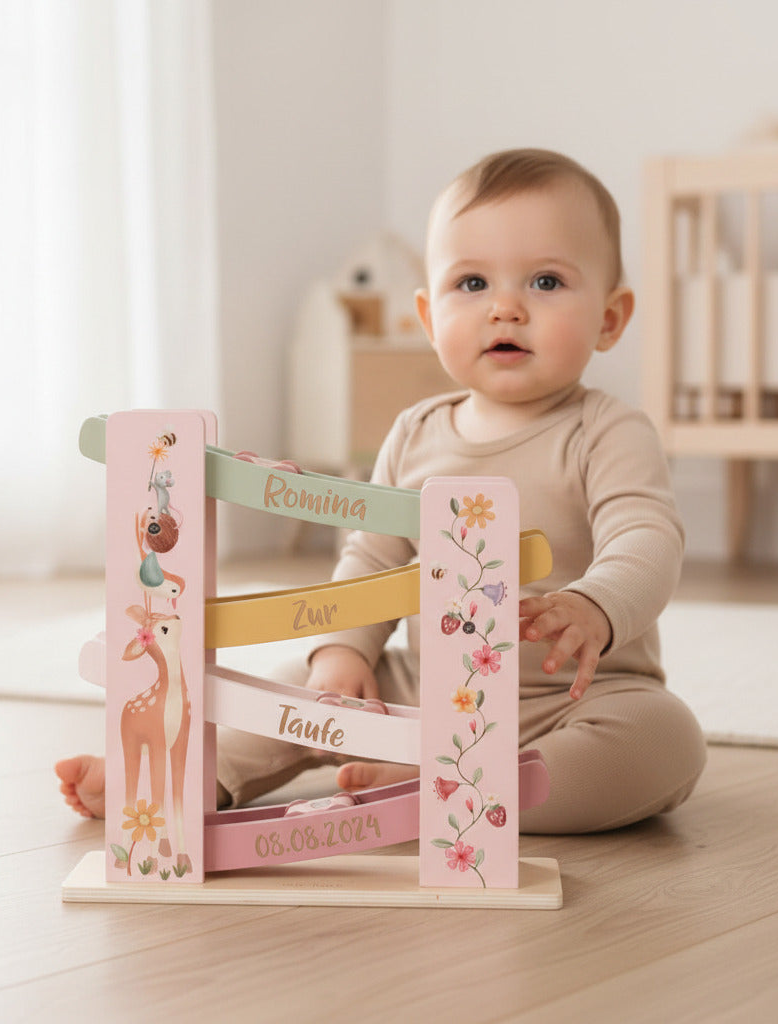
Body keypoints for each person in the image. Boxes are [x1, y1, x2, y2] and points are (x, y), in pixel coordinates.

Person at [58, 148, 707, 833]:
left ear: (610, 317)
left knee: (666, 738)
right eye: (473, 283)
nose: (506, 308)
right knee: (291, 686)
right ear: (429, 318)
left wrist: (594, 605)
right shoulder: (415, 433)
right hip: (432, 690)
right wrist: (344, 655)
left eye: (546, 282)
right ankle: (195, 774)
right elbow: (369, 561)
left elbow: (648, 538)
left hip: (575, 697)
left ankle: (457, 785)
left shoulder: (608, 432)